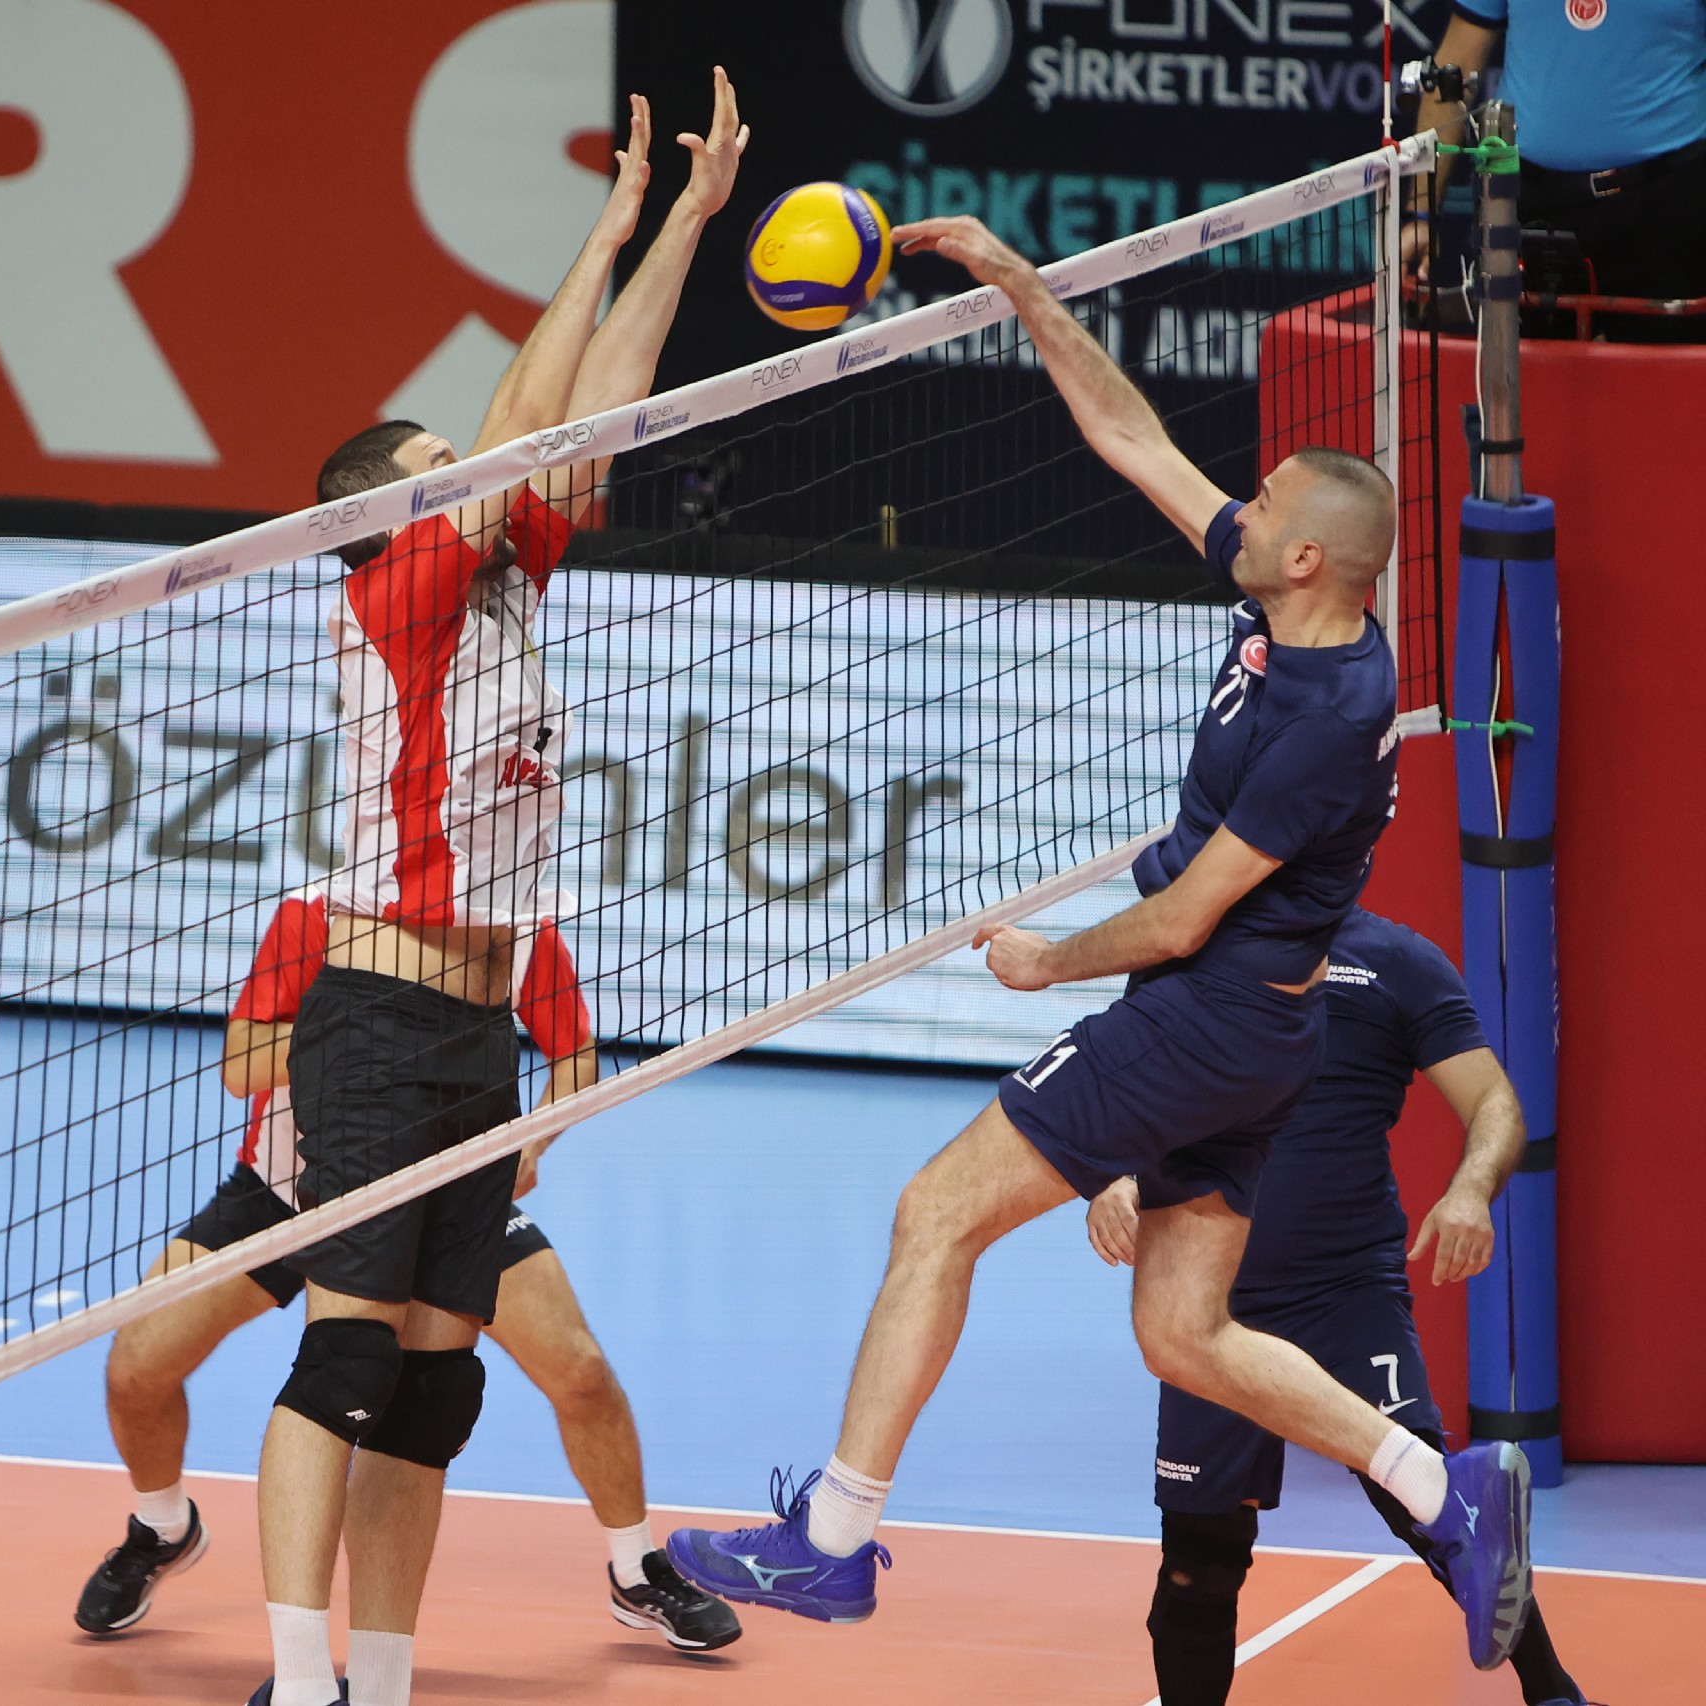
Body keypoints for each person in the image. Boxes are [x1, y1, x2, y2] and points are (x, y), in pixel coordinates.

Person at [666, 212, 1533, 1677]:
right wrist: (1021, 284)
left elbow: (1187, 916)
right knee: (1186, 1336)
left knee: (935, 1213)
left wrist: (1045, 963)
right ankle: (1448, 1495)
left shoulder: (1327, 721)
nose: (1238, 509)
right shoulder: (1293, 606)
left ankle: (834, 1537)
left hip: (1206, 1013)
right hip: (1258, 1034)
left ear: (1308, 554)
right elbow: (1133, 437)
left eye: (1263, 503)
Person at [252, 70, 748, 1706]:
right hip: (377, 1019)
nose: (483, 474)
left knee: (436, 1394)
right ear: (395, 508)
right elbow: (531, 427)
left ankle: (383, 1681)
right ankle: (301, 1677)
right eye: (446, 464)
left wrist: (678, 221)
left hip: (476, 1041)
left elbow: (590, 418)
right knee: (344, 1357)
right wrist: (598, 228)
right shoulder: (397, 590)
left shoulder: (508, 579)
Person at [72, 890, 737, 1653]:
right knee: (137, 1367)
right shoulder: (317, 915)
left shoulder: (516, 927)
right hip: (287, 1192)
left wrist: (533, 1142)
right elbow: (241, 1063)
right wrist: (382, 1037)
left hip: (444, 1193)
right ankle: (162, 1527)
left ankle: (636, 1566)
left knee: (579, 1371)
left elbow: (575, 1057)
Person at [1080, 910, 1596, 1706]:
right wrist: (1114, 1177)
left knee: (1437, 1510)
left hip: (1345, 1293)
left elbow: (1494, 1101)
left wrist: (1470, 1191)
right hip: (1204, 1302)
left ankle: (1554, 1693)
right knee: (1197, 1562)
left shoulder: (1398, 960)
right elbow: (1128, 1094)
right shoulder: (1182, 951)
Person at [1407, 2, 1706, 340]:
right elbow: (1454, 69)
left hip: (1665, 207)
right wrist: (1420, 213)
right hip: (1525, 206)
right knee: (1521, 371)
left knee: (1662, 372)